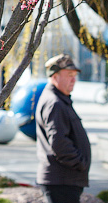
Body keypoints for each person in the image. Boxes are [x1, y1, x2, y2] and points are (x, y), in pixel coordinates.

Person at [35, 53, 91, 203]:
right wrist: (80, 163)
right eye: (69, 75)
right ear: (54, 77)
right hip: (61, 181)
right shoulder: (55, 103)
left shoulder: (59, 100)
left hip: (64, 180)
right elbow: (59, 142)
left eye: (74, 75)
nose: (74, 80)